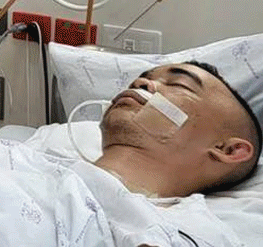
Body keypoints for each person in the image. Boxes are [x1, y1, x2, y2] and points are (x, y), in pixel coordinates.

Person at [96, 60, 261, 198]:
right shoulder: (77, 172)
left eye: (180, 84)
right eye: (141, 79)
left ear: (229, 150)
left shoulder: (179, 226)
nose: (139, 83)